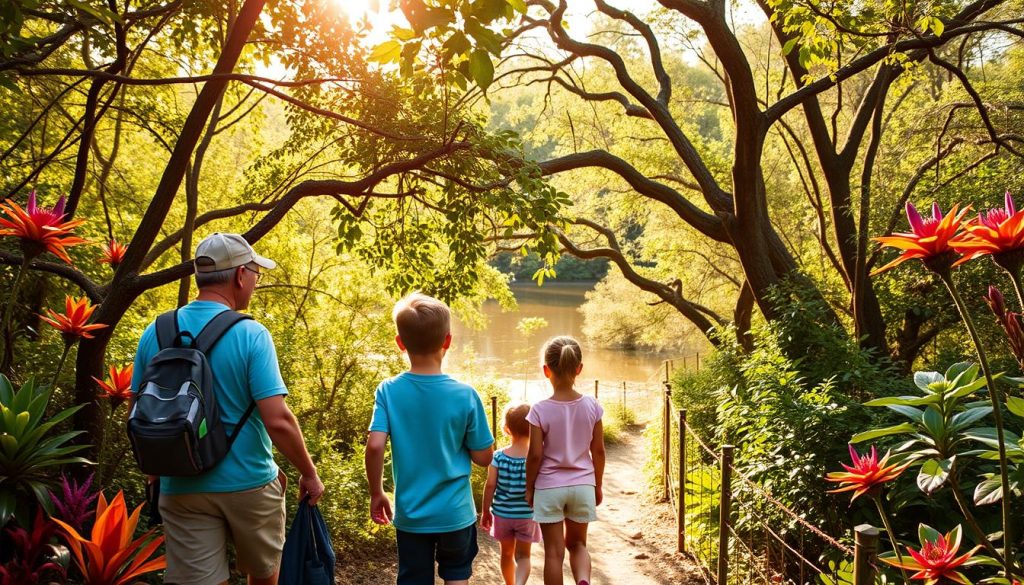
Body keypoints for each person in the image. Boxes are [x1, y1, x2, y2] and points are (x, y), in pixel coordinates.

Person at [131, 233, 324, 585]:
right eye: (255, 273)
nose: (255, 280)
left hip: (180, 486)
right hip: (248, 484)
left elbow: (139, 411)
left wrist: (156, 474)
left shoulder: (154, 332)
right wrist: (308, 473)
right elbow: (278, 419)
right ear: (239, 275)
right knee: (264, 576)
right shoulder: (251, 334)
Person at [365, 292, 495, 585]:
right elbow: (483, 458)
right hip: (455, 514)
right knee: (457, 575)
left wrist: (377, 492)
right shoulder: (466, 394)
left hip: (412, 515)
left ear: (400, 343)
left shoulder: (388, 391)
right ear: (447, 341)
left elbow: (374, 445)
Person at [525, 336, 606, 585]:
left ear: (546, 370)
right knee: (579, 544)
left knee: (553, 552)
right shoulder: (592, 406)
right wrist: (598, 485)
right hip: (582, 486)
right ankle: (582, 579)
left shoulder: (539, 409)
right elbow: (599, 451)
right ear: (579, 369)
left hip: (549, 487)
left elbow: (535, 455)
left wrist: (529, 488)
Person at [482, 402, 541, 585]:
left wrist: (485, 511)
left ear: (506, 429)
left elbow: (490, 485)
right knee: (524, 556)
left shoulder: (498, 457)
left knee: (506, 554)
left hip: (503, 515)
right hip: (527, 515)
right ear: (534, 429)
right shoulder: (537, 458)